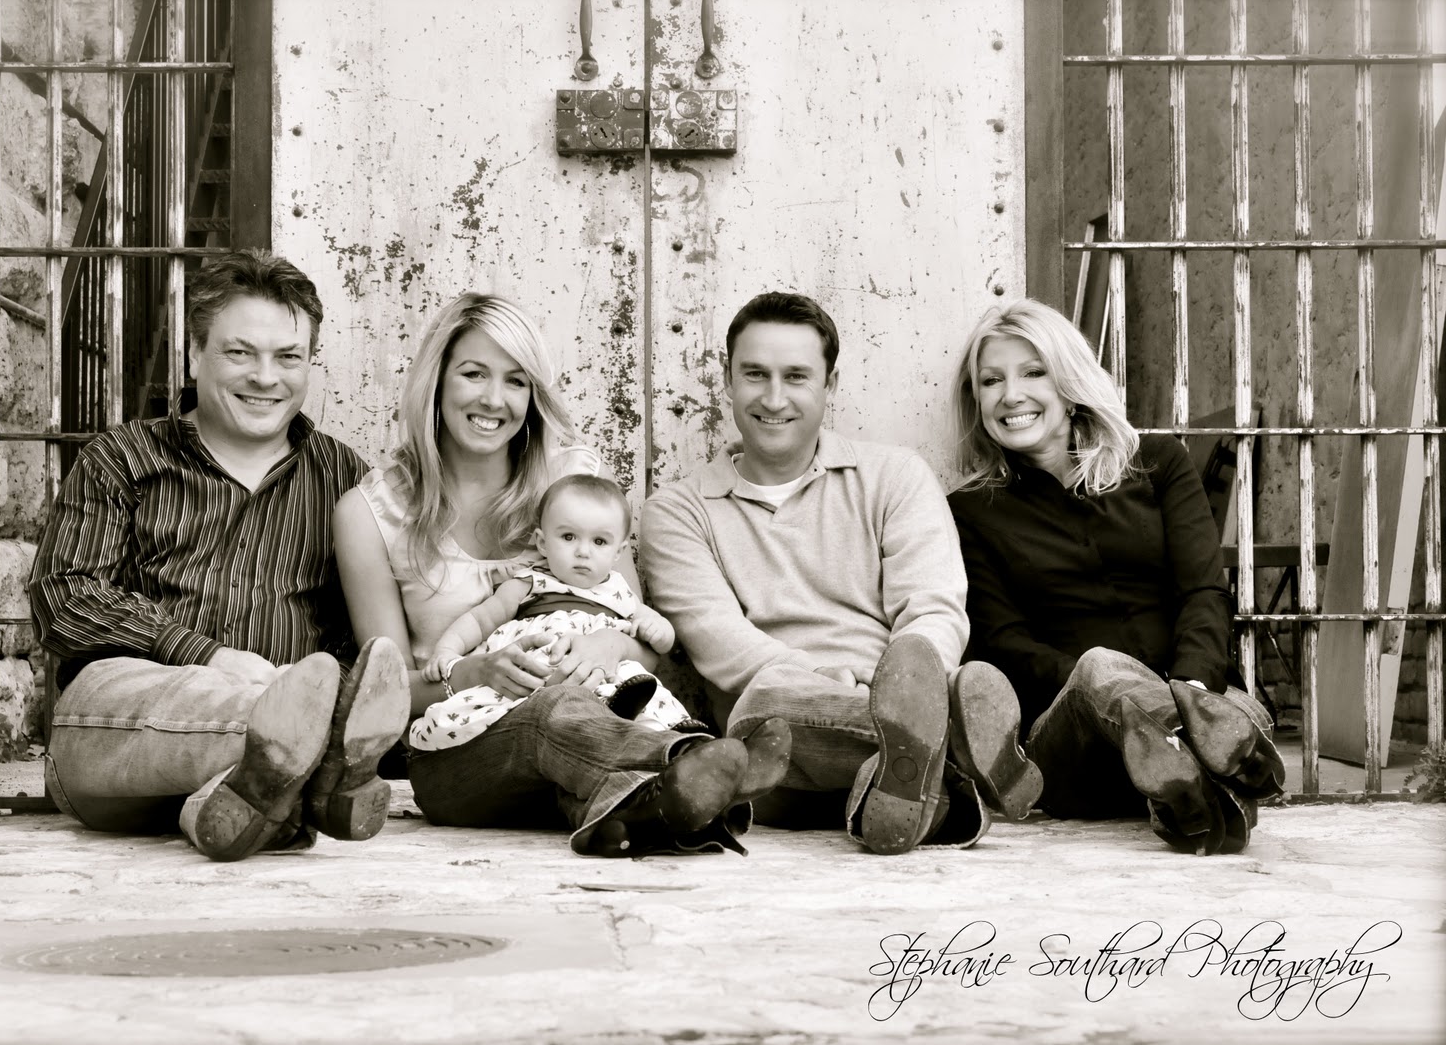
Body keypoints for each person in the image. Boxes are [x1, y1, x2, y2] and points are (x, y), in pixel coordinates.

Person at [333, 293, 790, 857]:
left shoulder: (574, 479)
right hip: (456, 756)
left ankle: (644, 808)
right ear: (436, 379)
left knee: (581, 740)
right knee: (549, 709)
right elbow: (388, 693)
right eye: (473, 374)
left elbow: (639, 641)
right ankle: (700, 765)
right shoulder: (371, 514)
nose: (494, 399)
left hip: (576, 749)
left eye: (516, 381)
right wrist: (474, 671)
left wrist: (610, 644)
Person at [29, 249, 410, 862]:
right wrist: (207, 657)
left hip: (273, 740)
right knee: (112, 685)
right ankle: (312, 760)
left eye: (288, 357)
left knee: (306, 712)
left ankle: (249, 794)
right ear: (194, 354)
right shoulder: (121, 460)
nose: (266, 377)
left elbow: (352, 630)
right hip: (118, 746)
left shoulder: (345, 479)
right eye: (240, 353)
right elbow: (63, 600)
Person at [640, 292, 1042, 855]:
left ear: (830, 384)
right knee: (764, 704)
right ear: (727, 379)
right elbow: (721, 644)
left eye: (796, 376)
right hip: (779, 750)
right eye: (755, 374)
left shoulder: (895, 476)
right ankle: (947, 757)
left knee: (941, 680)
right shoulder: (677, 511)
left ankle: (907, 781)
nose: (773, 397)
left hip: (896, 689)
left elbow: (934, 608)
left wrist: (905, 687)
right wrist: (831, 682)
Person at [944, 298, 1285, 855]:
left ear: (1070, 381)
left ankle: (1187, 797)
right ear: (975, 398)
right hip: (1074, 744)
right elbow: (1003, 642)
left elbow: (1203, 591)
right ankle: (1200, 758)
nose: (1011, 395)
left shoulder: (1159, 463)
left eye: (1033, 372)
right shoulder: (970, 512)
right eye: (991, 380)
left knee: (1241, 714)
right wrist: (1110, 689)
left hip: (1199, 691)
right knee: (1100, 666)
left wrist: (1193, 687)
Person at [414, 472, 699, 749]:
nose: (583, 551)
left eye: (599, 542)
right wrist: (447, 652)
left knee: (637, 689)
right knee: (489, 710)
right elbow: (478, 621)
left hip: (600, 675)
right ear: (542, 542)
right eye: (568, 537)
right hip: (534, 677)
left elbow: (660, 640)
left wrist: (658, 631)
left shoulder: (620, 593)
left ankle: (675, 741)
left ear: (618, 552)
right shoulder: (529, 583)